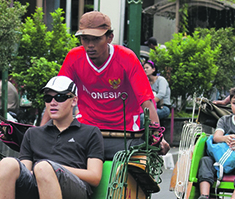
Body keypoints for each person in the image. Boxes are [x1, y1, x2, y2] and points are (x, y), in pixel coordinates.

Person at [51, 11, 170, 158]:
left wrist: (157, 136)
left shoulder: (127, 58)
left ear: (109, 37)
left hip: (125, 132)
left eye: (96, 39)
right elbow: (56, 95)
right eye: (85, 39)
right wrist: (43, 130)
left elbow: (146, 101)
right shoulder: (74, 57)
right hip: (87, 128)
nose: (90, 45)